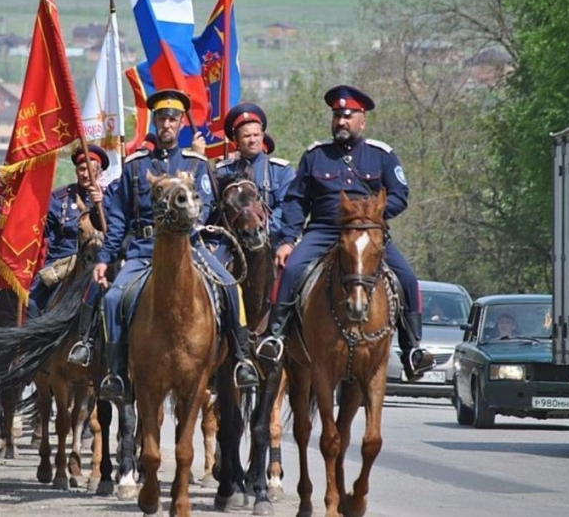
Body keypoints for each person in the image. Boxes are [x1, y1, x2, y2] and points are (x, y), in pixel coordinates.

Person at [91, 89, 259, 402]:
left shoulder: (196, 165)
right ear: (155, 122)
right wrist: (104, 258)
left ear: (181, 123)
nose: (167, 124)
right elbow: (117, 217)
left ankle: (241, 359)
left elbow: (208, 206)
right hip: (144, 250)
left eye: (173, 118)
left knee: (230, 286)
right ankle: (115, 372)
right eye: (162, 118)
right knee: (113, 298)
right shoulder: (135, 166)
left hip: (189, 248)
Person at [261, 85, 434, 380]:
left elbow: (399, 195)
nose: (341, 121)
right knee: (290, 272)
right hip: (324, 230)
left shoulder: (382, 155)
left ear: (362, 120)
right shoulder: (316, 155)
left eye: (348, 116)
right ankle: (275, 338)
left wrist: (371, 215)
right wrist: (288, 240)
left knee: (406, 277)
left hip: (367, 233)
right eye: (337, 115)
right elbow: (296, 200)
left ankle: (413, 348)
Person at [28, 145, 108, 364]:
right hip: (62, 262)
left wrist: (100, 203)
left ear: (99, 172)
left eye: (91, 169)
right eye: (82, 168)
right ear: (76, 170)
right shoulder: (59, 198)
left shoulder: (109, 197)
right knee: (33, 299)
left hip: (98, 262)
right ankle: (36, 351)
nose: (86, 174)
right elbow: (45, 235)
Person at [214, 103, 295, 260]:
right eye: (246, 136)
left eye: (256, 135)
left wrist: (263, 228)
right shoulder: (223, 172)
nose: (252, 140)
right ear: (236, 140)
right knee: (212, 271)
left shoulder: (280, 171)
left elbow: (285, 206)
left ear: (262, 136)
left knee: (294, 274)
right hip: (233, 243)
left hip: (273, 238)